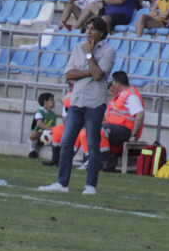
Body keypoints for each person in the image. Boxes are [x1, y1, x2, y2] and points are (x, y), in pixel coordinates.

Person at [38, 18, 115, 194]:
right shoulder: (77, 47)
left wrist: (89, 56)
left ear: (101, 33)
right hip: (77, 101)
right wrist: (90, 70)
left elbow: (98, 76)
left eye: (93, 29)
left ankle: (90, 186)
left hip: (95, 103)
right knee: (66, 143)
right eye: (87, 27)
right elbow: (69, 74)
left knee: (93, 144)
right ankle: (62, 183)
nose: (88, 31)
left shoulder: (108, 51)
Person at [102, 70, 144, 148]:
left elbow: (140, 114)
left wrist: (133, 135)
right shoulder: (122, 94)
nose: (112, 84)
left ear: (118, 84)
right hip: (116, 128)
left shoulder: (131, 96)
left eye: (113, 82)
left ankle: (104, 159)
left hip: (125, 130)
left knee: (99, 131)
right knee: (89, 129)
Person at [28, 92, 57, 158]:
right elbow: (40, 124)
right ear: (45, 102)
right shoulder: (39, 112)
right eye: (52, 100)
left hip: (49, 135)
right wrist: (52, 129)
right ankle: (32, 151)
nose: (54, 102)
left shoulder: (53, 114)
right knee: (33, 134)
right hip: (40, 135)